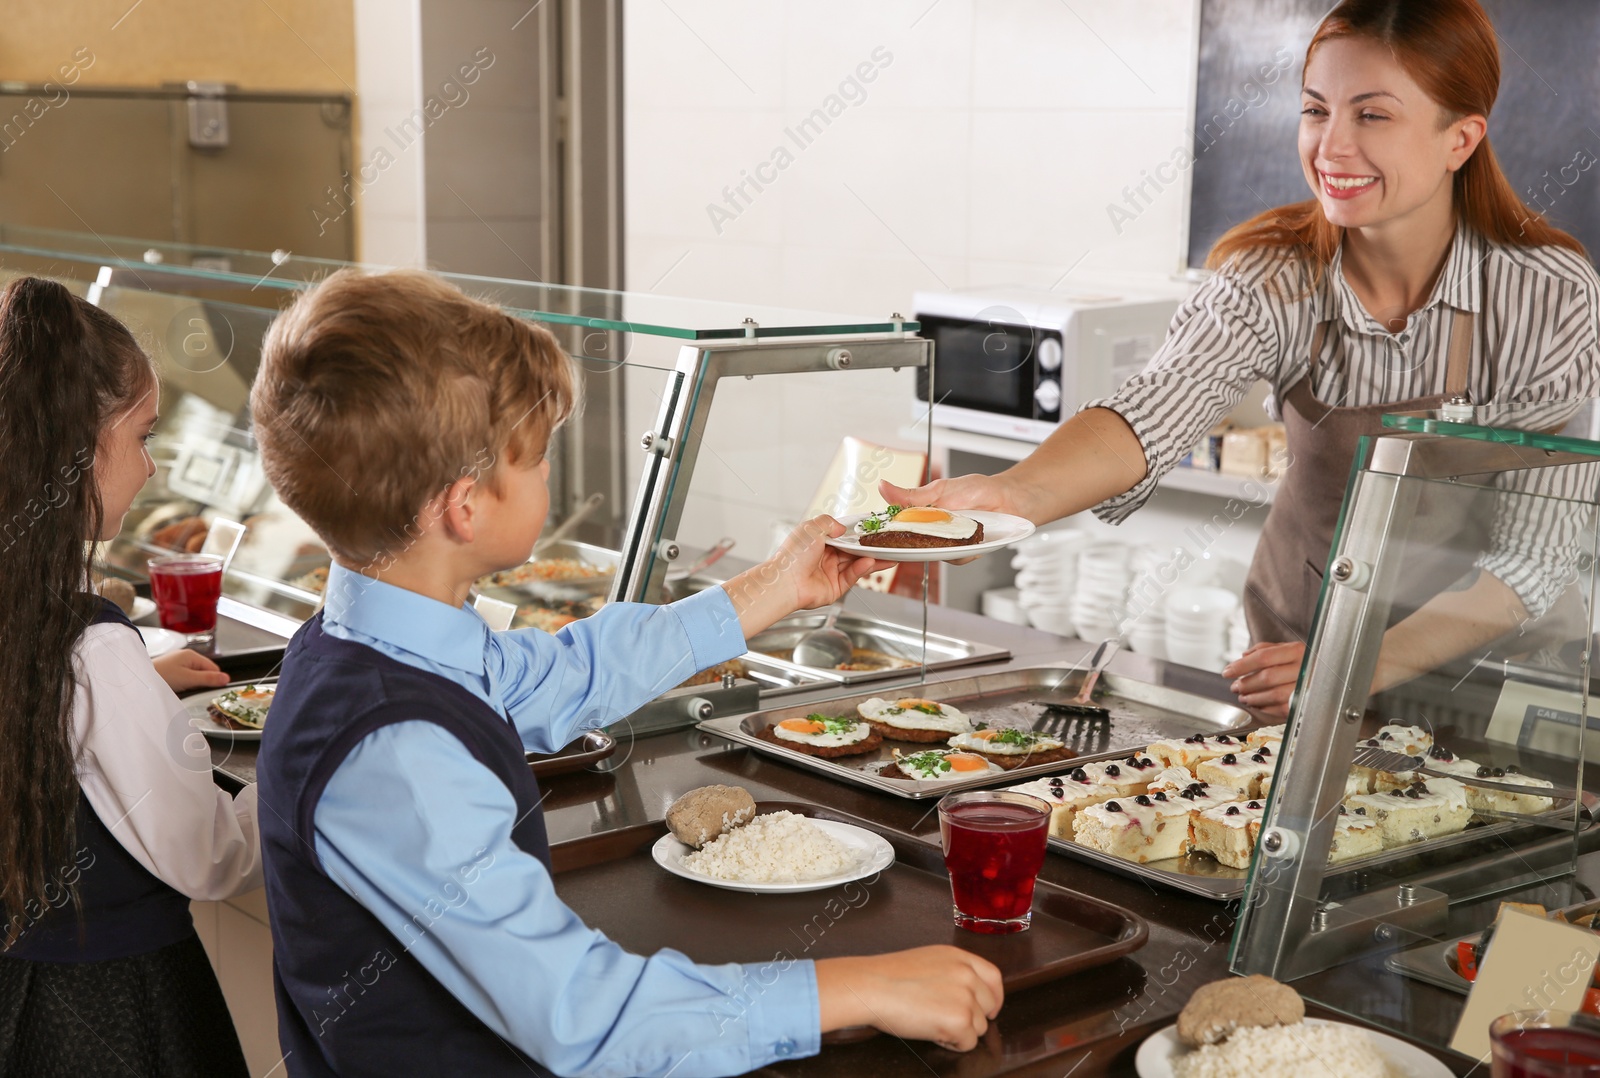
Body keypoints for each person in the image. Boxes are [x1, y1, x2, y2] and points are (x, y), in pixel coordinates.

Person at [249, 268, 1003, 1077]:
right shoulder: (395, 754)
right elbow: (581, 1013)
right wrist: (862, 986)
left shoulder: (369, 641)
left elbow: (567, 673)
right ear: (465, 507)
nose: (547, 476)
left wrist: (778, 582)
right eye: (537, 460)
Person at [888, 0, 1600, 717]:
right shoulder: (1273, 276)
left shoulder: (1545, 296)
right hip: (1304, 666)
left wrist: (1351, 662)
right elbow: (1154, 408)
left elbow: (1531, 559)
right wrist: (1015, 496)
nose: (1331, 148)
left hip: (1491, 690)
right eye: (1316, 110)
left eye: (1373, 115)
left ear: (1461, 138)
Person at [0, 277, 263, 1077]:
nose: (150, 467)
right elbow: (210, 858)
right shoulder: (91, 650)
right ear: (79, 444)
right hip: (112, 1009)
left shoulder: (50, 632)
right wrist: (291, 758)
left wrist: (135, 685)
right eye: (144, 436)